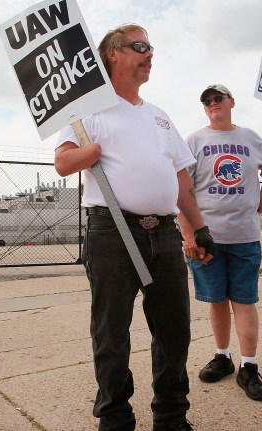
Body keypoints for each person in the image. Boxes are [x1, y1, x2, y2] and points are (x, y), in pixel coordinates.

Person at [54, 24, 214, 431]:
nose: (149, 54)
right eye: (139, 46)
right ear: (112, 53)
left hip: (163, 233)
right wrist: (87, 152)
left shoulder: (159, 117)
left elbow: (181, 181)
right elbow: (63, 162)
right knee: (111, 332)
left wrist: (197, 228)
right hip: (112, 231)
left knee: (174, 329)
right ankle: (114, 416)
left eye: (151, 47)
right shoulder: (86, 109)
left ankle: (172, 415)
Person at [178, 84, 262, 402]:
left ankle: (248, 366)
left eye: (217, 98)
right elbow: (183, 192)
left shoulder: (250, 138)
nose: (212, 103)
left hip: (245, 236)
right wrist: (189, 236)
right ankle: (222, 356)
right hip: (208, 237)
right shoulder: (194, 141)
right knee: (216, 299)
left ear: (231, 102)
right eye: (206, 100)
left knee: (244, 300)